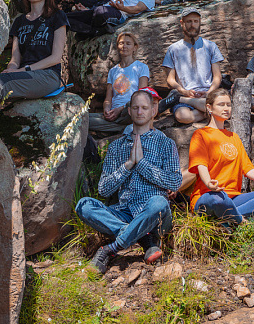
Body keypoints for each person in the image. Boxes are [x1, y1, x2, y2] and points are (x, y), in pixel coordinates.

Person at [76, 89, 181, 274]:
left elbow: (174, 182)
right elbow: (103, 190)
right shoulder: (117, 146)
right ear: (130, 111)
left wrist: (141, 164)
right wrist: (128, 165)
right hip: (124, 212)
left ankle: (111, 249)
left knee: (159, 202)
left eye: (144, 108)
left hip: (154, 215)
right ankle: (143, 238)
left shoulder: (165, 143)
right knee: (84, 205)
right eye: (135, 108)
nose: (140, 112)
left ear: (153, 111)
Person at [189, 89, 254, 223]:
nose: (226, 108)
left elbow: (248, 169)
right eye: (221, 105)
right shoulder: (201, 134)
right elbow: (201, 164)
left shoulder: (234, 137)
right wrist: (209, 182)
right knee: (216, 198)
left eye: (229, 105)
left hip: (234, 199)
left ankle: (225, 218)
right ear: (209, 108)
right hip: (208, 197)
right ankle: (239, 220)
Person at [159, 7, 224, 124]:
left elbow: (217, 77)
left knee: (221, 107)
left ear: (199, 22)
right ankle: (208, 112)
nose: (192, 25)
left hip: (207, 94)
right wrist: (182, 91)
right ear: (182, 23)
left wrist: (210, 92)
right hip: (186, 95)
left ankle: (178, 100)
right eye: (189, 21)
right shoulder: (173, 49)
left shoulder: (210, 46)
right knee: (182, 116)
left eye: (195, 21)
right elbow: (170, 80)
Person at [87, 33, 151, 134]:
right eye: (121, 43)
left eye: (128, 43)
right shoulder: (113, 71)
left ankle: (111, 127)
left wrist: (120, 109)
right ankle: (118, 127)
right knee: (81, 118)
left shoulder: (141, 67)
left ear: (135, 47)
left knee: (133, 107)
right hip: (114, 114)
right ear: (117, 46)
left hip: (129, 111)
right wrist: (107, 110)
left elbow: (142, 96)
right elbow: (108, 98)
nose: (124, 46)